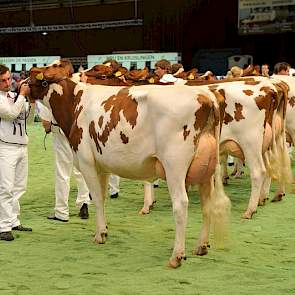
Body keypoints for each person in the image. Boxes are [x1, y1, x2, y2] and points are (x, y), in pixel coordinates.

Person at [36, 101, 91, 222]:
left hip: (60, 132)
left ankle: (62, 211)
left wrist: (47, 129)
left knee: (62, 172)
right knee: (80, 169)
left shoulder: (51, 91)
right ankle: (84, 203)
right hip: (80, 130)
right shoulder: (78, 87)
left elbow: (46, 123)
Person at [0, 64, 32, 241]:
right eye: (3, 80)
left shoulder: (13, 95)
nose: (7, 83)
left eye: (8, 79)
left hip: (21, 145)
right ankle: (3, 227)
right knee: (5, 188)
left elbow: (26, 116)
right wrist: (22, 96)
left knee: (19, 187)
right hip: (4, 147)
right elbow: (11, 114)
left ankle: (13, 220)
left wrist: (27, 98)